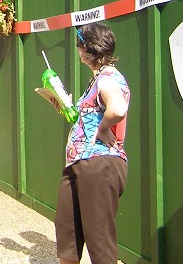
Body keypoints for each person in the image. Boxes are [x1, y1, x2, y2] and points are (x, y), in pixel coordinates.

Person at [54, 23, 130, 264]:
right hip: (79, 163)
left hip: (99, 163)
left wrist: (103, 128)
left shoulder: (108, 77)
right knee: (67, 237)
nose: (78, 51)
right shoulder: (97, 79)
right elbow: (90, 117)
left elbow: (117, 108)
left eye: (79, 46)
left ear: (90, 49)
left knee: (99, 242)